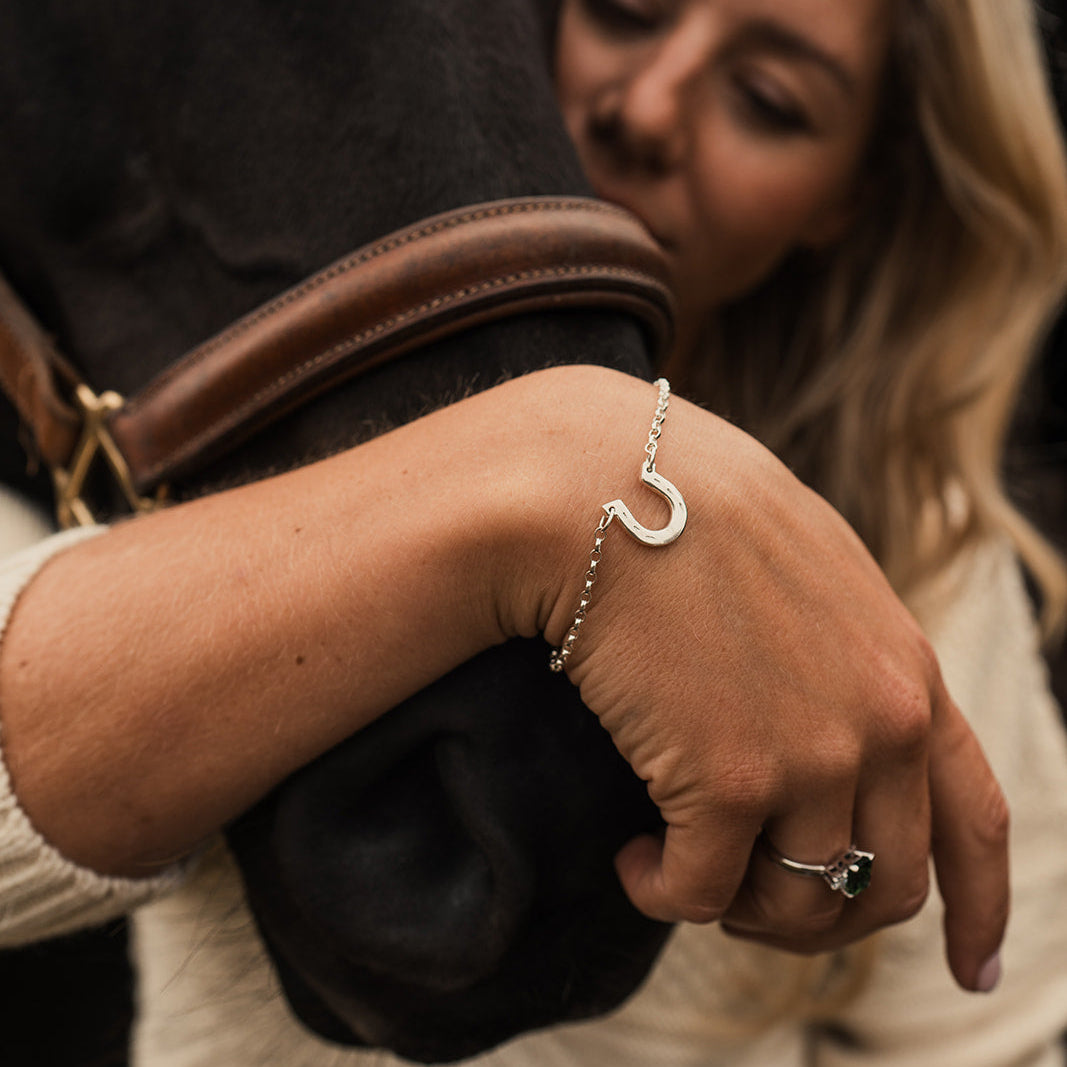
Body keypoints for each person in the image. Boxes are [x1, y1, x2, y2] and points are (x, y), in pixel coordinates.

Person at [0, 0, 1060, 1063]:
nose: (645, 108)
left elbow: (992, 1037)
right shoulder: (163, 384)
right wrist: (552, 468)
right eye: (624, 11)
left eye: (767, 102)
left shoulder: (914, 540)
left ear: (847, 195)